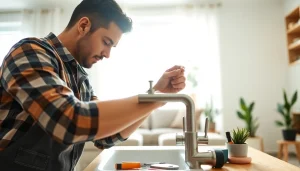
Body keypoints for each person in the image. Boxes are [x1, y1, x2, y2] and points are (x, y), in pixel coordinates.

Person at [0, 0, 186, 170]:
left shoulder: (82, 80)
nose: (107, 54)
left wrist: (158, 96)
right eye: (106, 42)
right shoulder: (29, 52)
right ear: (83, 25)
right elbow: (68, 121)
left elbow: (108, 138)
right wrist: (153, 99)